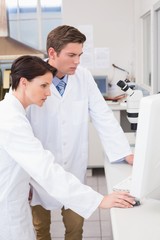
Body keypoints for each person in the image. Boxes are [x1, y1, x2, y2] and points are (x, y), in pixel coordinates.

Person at [0, 55, 135, 240]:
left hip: (15, 207)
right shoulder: (11, 120)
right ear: (24, 82)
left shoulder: (12, 112)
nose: (49, 93)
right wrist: (99, 200)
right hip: (8, 217)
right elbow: (44, 168)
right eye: (43, 86)